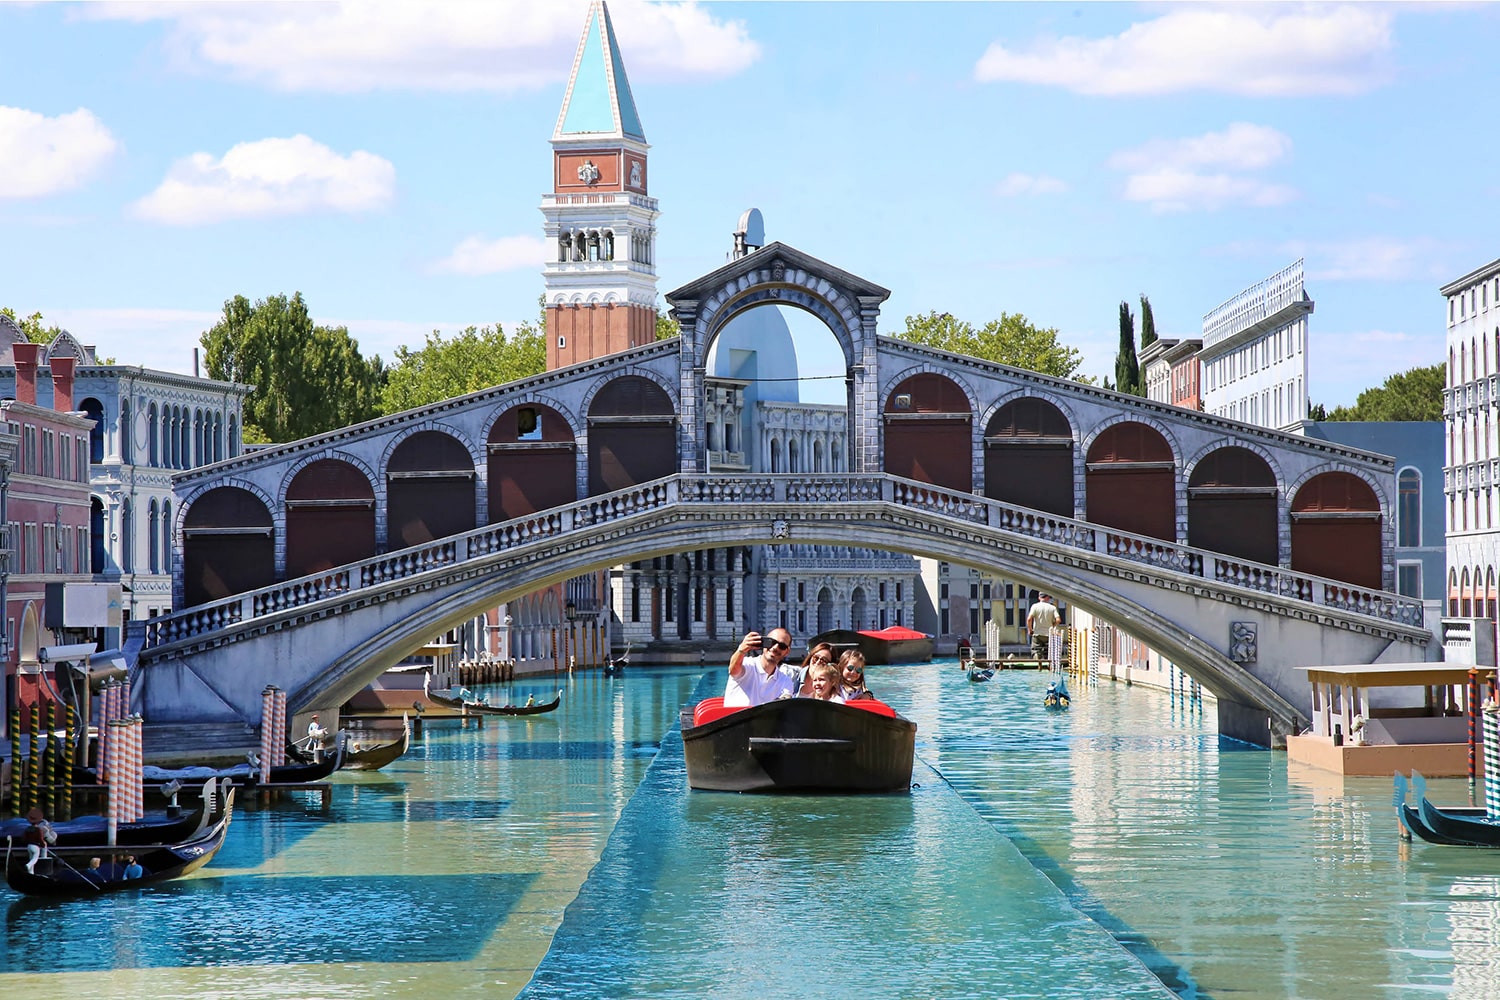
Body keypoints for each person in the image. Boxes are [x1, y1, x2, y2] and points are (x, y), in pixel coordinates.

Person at [724, 627, 798, 706]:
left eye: (782, 646)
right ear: (764, 642)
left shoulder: (785, 681)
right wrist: (741, 649)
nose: (775, 647)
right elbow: (733, 670)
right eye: (772, 642)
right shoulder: (747, 664)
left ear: (787, 651)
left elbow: (786, 699)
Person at [1026, 593, 1061, 663]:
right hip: (1049, 634)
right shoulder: (1052, 607)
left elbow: (1029, 619)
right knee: (1048, 652)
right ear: (1048, 598)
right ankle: (1048, 664)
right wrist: (1053, 626)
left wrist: (1030, 630)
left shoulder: (1035, 606)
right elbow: (1058, 620)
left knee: (1036, 650)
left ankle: (1037, 660)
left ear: (1039, 597)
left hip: (1037, 633)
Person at [22, 807, 54, 874]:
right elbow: (40, 839)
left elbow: (24, 838)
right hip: (35, 847)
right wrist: (43, 844)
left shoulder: (27, 829)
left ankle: (31, 873)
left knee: (31, 858)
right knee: (35, 859)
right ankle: (28, 865)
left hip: (29, 846)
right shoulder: (38, 830)